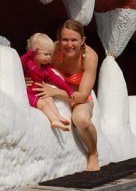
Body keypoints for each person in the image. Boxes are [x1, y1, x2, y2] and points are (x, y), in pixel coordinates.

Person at [31, 19, 100, 172]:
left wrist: (54, 92)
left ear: (83, 40)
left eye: (74, 40)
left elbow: (82, 96)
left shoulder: (90, 57)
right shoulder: (52, 50)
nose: (70, 45)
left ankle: (93, 153)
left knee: (81, 120)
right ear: (58, 39)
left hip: (78, 98)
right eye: (65, 40)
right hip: (51, 93)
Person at [21, 33, 74, 131]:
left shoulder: (45, 69)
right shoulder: (28, 64)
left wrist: (68, 89)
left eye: (50, 54)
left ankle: (58, 116)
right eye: (46, 54)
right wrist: (29, 55)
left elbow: (57, 80)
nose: (49, 57)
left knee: (49, 99)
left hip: (37, 93)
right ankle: (54, 120)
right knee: (43, 104)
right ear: (34, 52)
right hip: (28, 94)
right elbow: (20, 62)